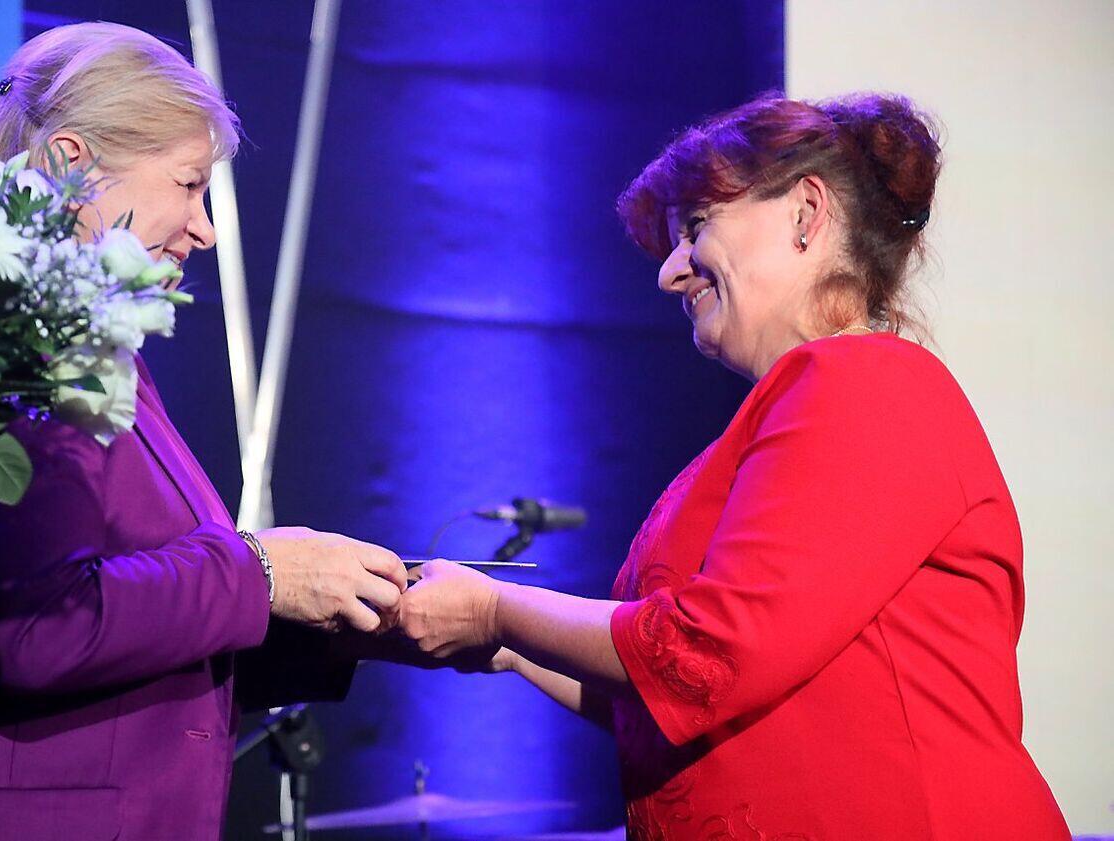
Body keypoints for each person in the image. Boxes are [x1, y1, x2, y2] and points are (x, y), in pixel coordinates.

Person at [396, 93, 1071, 839]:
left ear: (805, 215)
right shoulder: (785, 420)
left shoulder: (865, 383)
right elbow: (675, 701)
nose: (670, 274)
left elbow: (708, 656)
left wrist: (496, 608)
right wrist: (507, 645)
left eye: (695, 227)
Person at [0, 23, 407, 840]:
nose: (205, 228)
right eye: (188, 184)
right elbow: (35, 626)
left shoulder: (87, 344)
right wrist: (262, 572)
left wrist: (350, 613)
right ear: (69, 161)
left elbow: (141, 629)